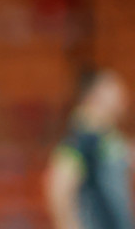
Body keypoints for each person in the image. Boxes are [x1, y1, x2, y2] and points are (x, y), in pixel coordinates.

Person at [45, 68, 134, 229]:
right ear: (96, 93)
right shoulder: (82, 139)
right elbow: (58, 188)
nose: (123, 93)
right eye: (114, 86)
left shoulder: (109, 138)